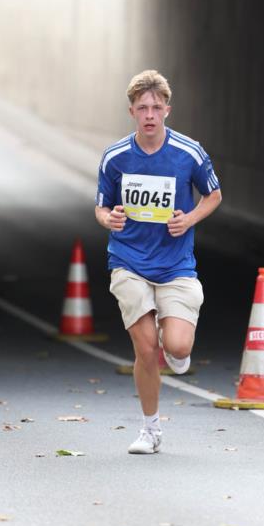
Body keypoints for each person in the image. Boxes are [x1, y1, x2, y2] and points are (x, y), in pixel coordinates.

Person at [95, 70, 222, 455]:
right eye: (142, 108)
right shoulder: (116, 157)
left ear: (167, 109)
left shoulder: (189, 152)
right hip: (128, 261)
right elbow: (101, 207)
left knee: (178, 348)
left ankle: (176, 350)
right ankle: (150, 429)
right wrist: (109, 219)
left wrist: (189, 219)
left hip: (175, 265)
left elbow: (213, 195)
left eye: (156, 107)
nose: (149, 114)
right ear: (132, 111)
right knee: (146, 348)